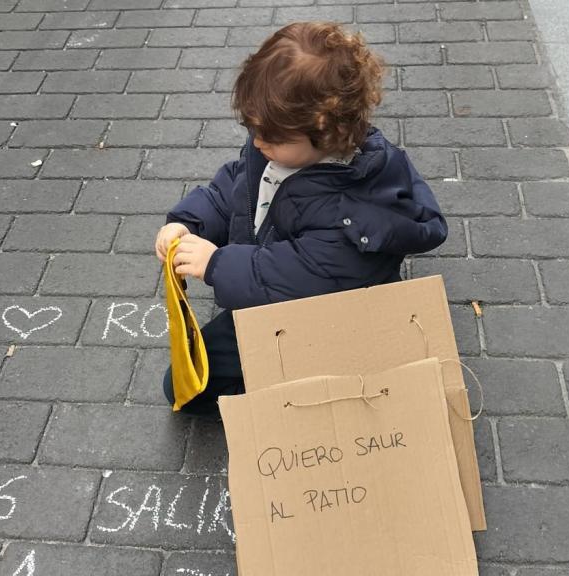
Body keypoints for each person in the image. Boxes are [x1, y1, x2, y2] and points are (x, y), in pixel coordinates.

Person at [155, 21, 448, 415]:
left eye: (270, 137)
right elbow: (233, 189)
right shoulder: (279, 145)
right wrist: (191, 222)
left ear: (327, 133)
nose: (258, 142)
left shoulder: (352, 214)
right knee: (186, 381)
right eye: (252, 129)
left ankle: (319, 379)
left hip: (324, 311)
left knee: (184, 388)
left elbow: (294, 281)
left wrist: (216, 264)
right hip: (275, 278)